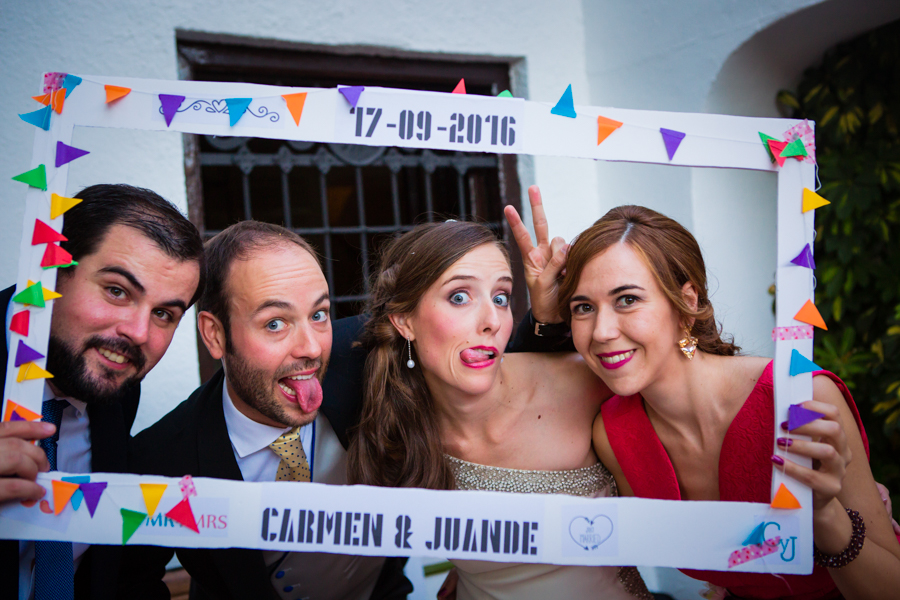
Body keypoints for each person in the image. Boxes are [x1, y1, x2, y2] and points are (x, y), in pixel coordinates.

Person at [542, 203, 900, 599]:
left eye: (627, 299)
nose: (602, 331)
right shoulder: (613, 433)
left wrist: (827, 517)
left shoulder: (798, 397)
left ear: (688, 302)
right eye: (583, 308)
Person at [348, 219, 652, 600]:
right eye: (459, 297)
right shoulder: (390, 420)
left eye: (501, 297)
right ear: (403, 320)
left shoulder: (583, 382)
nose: (492, 321)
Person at [120, 221, 411, 600]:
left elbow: (472, 352)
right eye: (275, 323)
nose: (311, 347)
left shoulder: (370, 360)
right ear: (215, 335)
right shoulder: (162, 457)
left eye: (319, 314)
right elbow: (127, 584)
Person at [0, 184, 204, 600]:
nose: (138, 333)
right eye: (116, 291)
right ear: (49, 271)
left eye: (164, 313)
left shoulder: (111, 382)